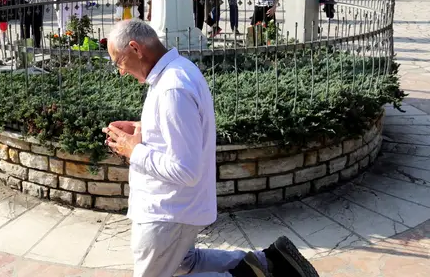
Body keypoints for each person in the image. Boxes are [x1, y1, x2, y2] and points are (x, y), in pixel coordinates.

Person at [102, 19, 312, 277]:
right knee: (185, 264)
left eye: (118, 62)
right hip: (170, 209)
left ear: (135, 48)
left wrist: (134, 151)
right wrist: (143, 129)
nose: (121, 71)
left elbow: (186, 170)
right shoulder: (177, 71)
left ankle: (250, 275)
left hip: (166, 212)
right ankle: (271, 263)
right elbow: (180, 133)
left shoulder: (172, 89)